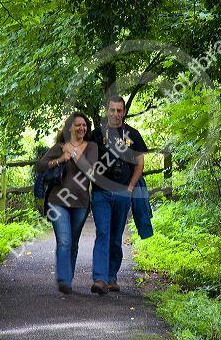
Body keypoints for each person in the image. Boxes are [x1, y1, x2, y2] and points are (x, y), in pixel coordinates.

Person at [90, 95, 148, 294]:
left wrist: (130, 188)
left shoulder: (133, 134)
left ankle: (112, 277)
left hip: (123, 193)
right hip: (100, 193)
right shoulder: (96, 135)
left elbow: (140, 165)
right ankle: (99, 278)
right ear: (107, 111)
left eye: (119, 110)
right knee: (103, 233)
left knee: (115, 236)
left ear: (123, 112)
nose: (116, 114)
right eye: (112, 110)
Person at [37, 112, 98, 294]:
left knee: (73, 242)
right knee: (64, 241)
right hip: (58, 201)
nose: (82, 128)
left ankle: (67, 277)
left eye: (84, 125)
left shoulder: (92, 147)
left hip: (81, 203)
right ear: (69, 127)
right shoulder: (60, 146)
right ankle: (64, 280)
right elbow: (40, 166)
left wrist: (74, 154)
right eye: (78, 125)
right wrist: (60, 159)